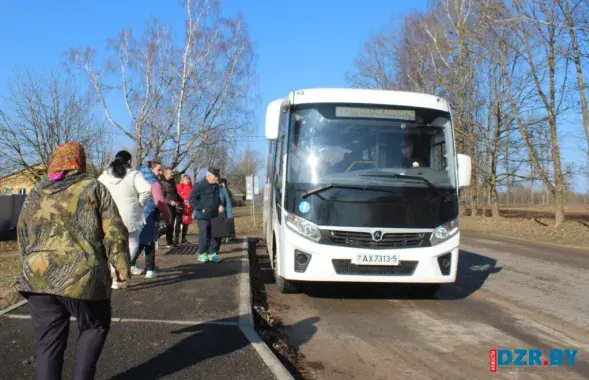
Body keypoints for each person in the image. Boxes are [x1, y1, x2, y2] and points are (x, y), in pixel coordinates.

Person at [16, 141, 130, 380]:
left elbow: (23, 234)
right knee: (95, 326)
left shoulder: (36, 191)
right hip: (82, 277)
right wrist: (121, 269)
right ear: (79, 161)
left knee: (48, 343)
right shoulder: (92, 188)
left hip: (38, 277)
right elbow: (114, 231)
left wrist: (27, 269)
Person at [98, 150, 152, 286]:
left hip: (108, 214)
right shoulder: (134, 174)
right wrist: (140, 203)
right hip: (130, 214)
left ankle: (114, 278)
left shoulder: (103, 177)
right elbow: (146, 190)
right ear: (129, 161)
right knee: (132, 242)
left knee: (111, 245)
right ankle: (122, 269)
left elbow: (97, 192)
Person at [132, 161, 171, 278]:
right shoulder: (154, 182)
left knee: (139, 241)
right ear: (151, 169)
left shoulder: (138, 177)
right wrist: (168, 215)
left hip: (137, 214)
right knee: (149, 241)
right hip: (149, 214)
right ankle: (150, 269)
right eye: (158, 170)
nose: (160, 172)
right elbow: (160, 202)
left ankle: (131, 263)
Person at [189, 168, 223, 263]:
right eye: (215, 177)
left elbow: (218, 198)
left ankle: (213, 253)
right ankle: (202, 254)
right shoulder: (200, 185)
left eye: (217, 177)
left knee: (214, 235)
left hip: (214, 214)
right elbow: (192, 199)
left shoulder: (216, 186)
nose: (216, 179)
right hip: (203, 216)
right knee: (204, 235)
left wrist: (220, 205)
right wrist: (200, 207)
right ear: (209, 176)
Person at [161, 167, 183, 247]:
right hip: (166, 207)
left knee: (171, 224)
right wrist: (170, 202)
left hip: (174, 207)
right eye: (171, 173)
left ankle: (170, 241)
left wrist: (183, 200)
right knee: (169, 225)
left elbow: (176, 194)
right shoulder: (162, 183)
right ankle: (161, 235)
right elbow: (162, 197)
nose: (172, 174)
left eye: (172, 173)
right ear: (165, 174)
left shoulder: (173, 182)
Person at [215, 178, 234, 248]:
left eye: (217, 180)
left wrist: (229, 215)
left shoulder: (223, 190)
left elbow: (228, 202)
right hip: (210, 214)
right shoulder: (206, 188)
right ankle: (210, 250)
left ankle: (215, 249)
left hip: (221, 213)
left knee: (219, 233)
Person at [176, 174, 194, 244]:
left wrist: (190, 201)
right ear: (182, 180)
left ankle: (183, 238)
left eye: (188, 179)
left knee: (186, 223)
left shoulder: (191, 187)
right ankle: (176, 239)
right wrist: (185, 200)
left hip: (188, 208)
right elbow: (178, 194)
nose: (187, 180)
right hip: (180, 207)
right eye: (186, 179)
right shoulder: (179, 186)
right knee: (178, 222)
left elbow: (193, 195)